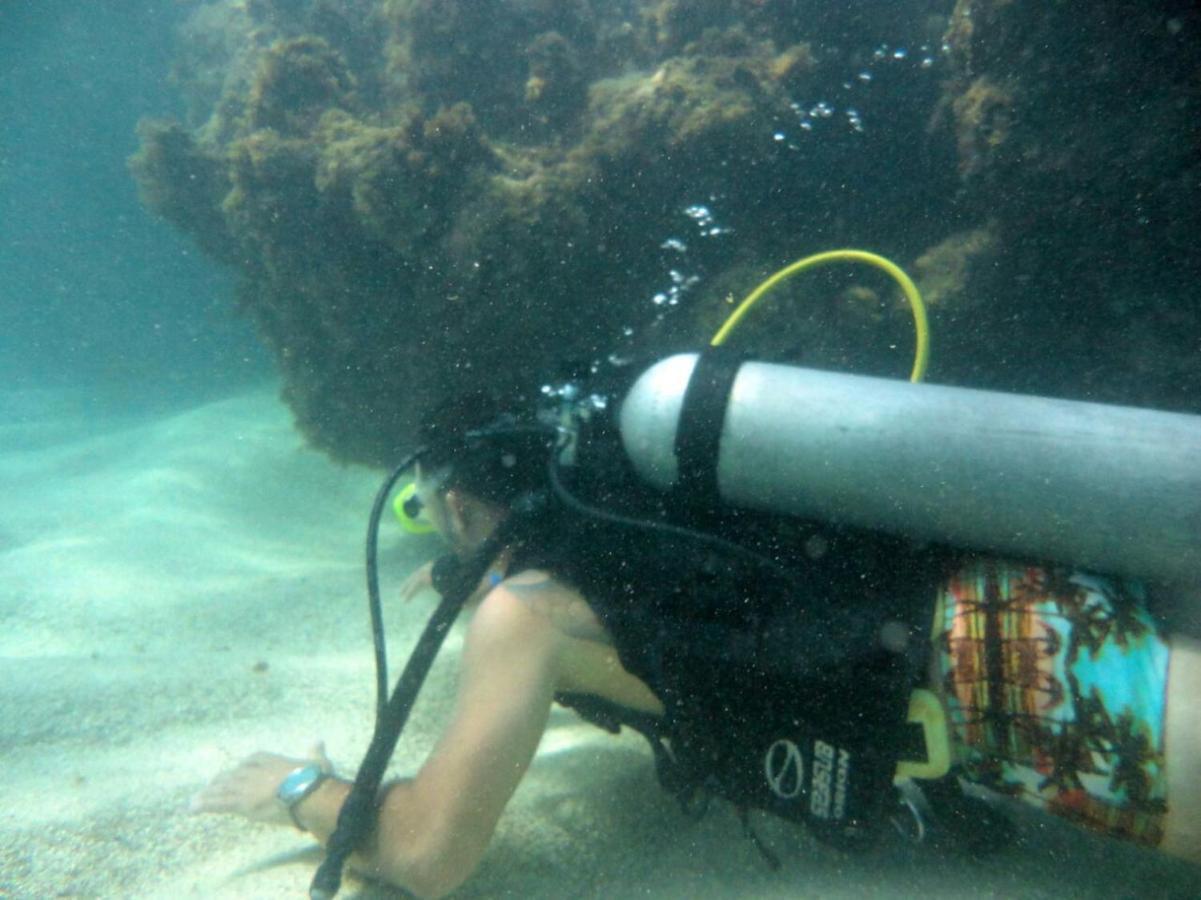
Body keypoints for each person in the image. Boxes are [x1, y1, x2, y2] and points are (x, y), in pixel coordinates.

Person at [191, 392, 1201, 899]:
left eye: (435, 516)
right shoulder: (646, 496)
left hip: (1022, 686)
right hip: (1024, 585)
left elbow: (428, 851)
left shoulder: (528, 611)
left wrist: (297, 789)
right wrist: (471, 579)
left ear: (460, 507)